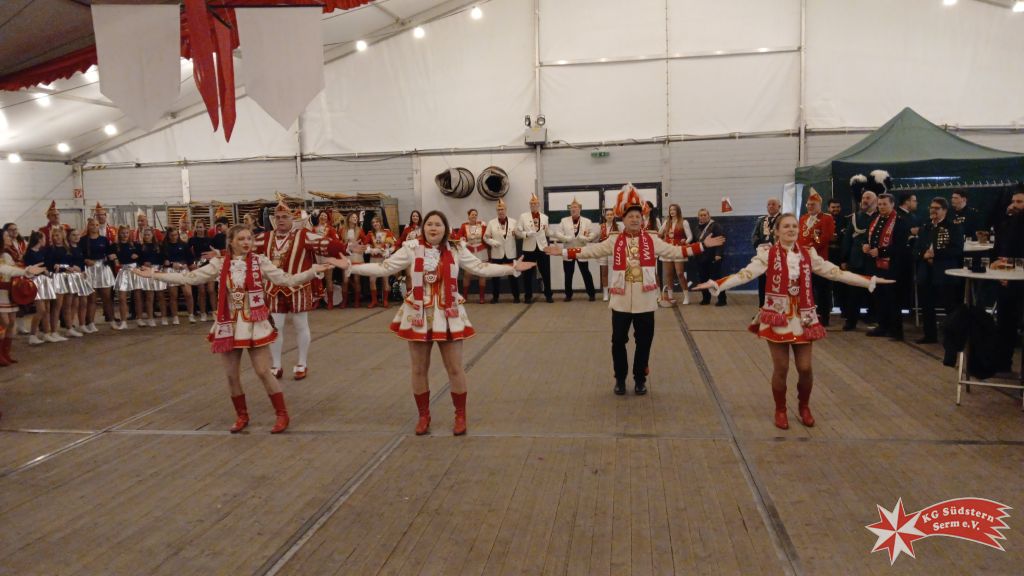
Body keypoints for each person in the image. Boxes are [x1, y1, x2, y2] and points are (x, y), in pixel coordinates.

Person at [693, 213, 891, 430]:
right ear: (777, 231)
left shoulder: (808, 253)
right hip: (777, 316)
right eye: (786, 226)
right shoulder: (767, 254)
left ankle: (804, 406)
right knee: (781, 368)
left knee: (805, 368)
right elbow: (745, 275)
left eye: (794, 226)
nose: (791, 230)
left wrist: (868, 281)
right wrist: (717, 284)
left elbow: (834, 272)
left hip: (803, 317)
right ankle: (780, 409)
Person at [345, 210, 534, 435]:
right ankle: (423, 416)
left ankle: (460, 415)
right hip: (418, 313)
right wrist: (351, 267)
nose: (433, 228)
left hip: (448, 313)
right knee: (418, 369)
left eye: (438, 224)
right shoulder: (411, 248)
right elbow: (384, 267)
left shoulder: (456, 248)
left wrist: (511, 268)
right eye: (429, 224)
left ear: (445, 228)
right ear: (423, 227)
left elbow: (480, 267)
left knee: (455, 368)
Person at [135, 225, 334, 434]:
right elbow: (190, 278)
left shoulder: (260, 262)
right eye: (241, 239)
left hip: (254, 322)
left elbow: (286, 280)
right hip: (229, 323)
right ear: (231, 242)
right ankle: (242, 416)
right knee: (231, 375)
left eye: (249, 238)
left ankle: (282, 414)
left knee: (263, 371)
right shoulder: (220, 264)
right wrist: (154, 274)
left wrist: (312, 271)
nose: (247, 242)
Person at [546, 184, 724, 395]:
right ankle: (620, 379)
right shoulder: (614, 240)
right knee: (617, 342)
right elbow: (590, 251)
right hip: (620, 302)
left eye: (638, 217)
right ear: (623, 219)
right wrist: (563, 252)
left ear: (643, 219)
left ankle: (640, 379)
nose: (634, 219)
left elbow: (676, 251)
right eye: (630, 216)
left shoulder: (652, 239)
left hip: (646, 301)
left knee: (644, 343)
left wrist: (702, 245)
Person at [254, 201, 351, 379]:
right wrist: (222, 254)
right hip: (274, 289)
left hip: (299, 287)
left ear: (292, 219)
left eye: (285, 217)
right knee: (276, 327)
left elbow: (326, 244)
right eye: (277, 217)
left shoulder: (303, 235)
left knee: (301, 325)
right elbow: (242, 246)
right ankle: (276, 365)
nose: (281, 220)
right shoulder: (265, 238)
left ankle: (302, 363)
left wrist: (347, 248)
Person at [915, 198, 963, 361]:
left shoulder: (953, 227)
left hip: (944, 271)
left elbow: (957, 249)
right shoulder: (926, 227)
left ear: (945, 210)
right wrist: (923, 255)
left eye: (937, 208)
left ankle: (952, 338)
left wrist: (935, 255)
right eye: (931, 207)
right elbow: (917, 248)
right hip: (926, 271)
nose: (933, 211)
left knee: (949, 306)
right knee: (926, 305)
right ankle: (929, 335)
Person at [865, 194, 910, 340]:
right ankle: (882, 326)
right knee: (879, 297)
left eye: (885, 204)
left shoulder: (900, 221)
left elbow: (900, 246)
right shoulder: (875, 219)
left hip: (892, 266)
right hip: (875, 265)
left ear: (892, 204)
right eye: (879, 204)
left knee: (893, 298)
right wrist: (866, 246)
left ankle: (896, 330)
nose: (881, 207)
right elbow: (869, 237)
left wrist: (881, 251)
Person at [0, 233, 45, 365]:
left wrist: (26, 271)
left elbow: (12, 269)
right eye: (6, 236)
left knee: (11, 323)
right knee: (4, 323)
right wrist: (26, 271)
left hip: (9, 292)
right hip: (1, 292)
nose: (9, 238)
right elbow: (5, 270)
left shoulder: (8, 254)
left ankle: (5, 353)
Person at [993, 186, 1024, 372]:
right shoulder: (1007, 224)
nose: (1014, 205)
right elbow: (1001, 249)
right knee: (1005, 323)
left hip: (1018, 279)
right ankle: (1003, 363)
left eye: (1019, 202)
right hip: (1007, 280)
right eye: (1013, 201)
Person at [841, 179, 878, 330]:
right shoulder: (856, 217)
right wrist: (844, 259)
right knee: (853, 293)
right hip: (855, 260)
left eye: (868, 198)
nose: (864, 200)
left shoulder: (880, 218)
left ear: (875, 201)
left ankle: (873, 318)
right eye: (863, 198)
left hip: (873, 260)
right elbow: (847, 239)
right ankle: (851, 322)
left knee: (873, 291)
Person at [798, 190, 836, 325]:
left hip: (819, 259)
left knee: (823, 289)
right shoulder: (803, 218)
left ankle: (824, 316)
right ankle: (808, 314)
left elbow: (826, 237)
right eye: (808, 204)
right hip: (804, 260)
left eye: (813, 204)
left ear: (819, 205)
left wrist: (811, 247)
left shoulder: (827, 218)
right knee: (807, 289)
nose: (809, 207)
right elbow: (799, 237)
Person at [553, 198, 596, 302]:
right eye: (571, 207)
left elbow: (593, 233)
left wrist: (586, 239)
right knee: (568, 274)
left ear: (580, 209)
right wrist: (565, 238)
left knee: (586, 273)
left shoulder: (587, 221)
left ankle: (591, 294)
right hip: (568, 250)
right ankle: (568, 295)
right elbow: (557, 233)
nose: (573, 209)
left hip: (581, 250)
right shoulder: (564, 220)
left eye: (575, 207)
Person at [515, 193, 553, 303]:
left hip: (542, 248)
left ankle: (548, 295)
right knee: (527, 273)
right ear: (529, 205)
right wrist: (526, 234)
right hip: (528, 249)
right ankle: (528, 296)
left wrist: (556, 235)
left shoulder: (545, 217)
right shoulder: (523, 216)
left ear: (539, 205)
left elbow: (547, 232)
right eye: (532, 204)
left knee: (545, 272)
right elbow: (517, 231)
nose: (534, 205)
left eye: (535, 204)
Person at [79, 218, 116, 332]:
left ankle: (112, 320)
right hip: (90, 270)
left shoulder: (104, 239)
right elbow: (79, 255)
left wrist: (112, 256)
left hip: (103, 268)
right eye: (92, 225)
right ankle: (90, 322)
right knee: (92, 299)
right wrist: (85, 260)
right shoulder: (83, 240)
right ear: (88, 226)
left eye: (96, 225)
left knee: (107, 298)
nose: (94, 227)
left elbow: (110, 252)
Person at [47, 227, 84, 338]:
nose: (55, 238)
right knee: (57, 306)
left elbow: (70, 263)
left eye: (57, 235)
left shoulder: (67, 248)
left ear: (63, 235)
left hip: (68, 277)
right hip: (57, 278)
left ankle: (69, 328)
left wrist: (73, 268)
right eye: (53, 236)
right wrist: (62, 266)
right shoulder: (50, 249)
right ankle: (54, 331)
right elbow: (51, 265)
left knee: (68, 305)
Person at [483, 198, 520, 304]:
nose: (501, 211)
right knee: (495, 277)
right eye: (499, 210)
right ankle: (495, 297)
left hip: (510, 253)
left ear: (506, 210)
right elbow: (485, 237)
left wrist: (519, 233)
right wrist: (493, 242)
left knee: (513, 276)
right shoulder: (491, 223)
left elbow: (518, 236)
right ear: (496, 211)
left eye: (502, 209)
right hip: (497, 253)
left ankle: (516, 297)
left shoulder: (514, 222)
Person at [24, 231, 59, 344]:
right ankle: (32, 335)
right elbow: (30, 269)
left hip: (44, 281)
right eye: (44, 238)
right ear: (39, 239)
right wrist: (43, 270)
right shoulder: (29, 253)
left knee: (47, 309)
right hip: (35, 282)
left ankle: (46, 333)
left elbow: (45, 265)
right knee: (41, 310)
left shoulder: (41, 251)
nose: (46, 240)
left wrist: (48, 270)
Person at [657, 203, 692, 306]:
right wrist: (662, 239)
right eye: (670, 210)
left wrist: (685, 241)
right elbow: (659, 234)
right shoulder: (666, 222)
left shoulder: (684, 222)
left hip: (678, 250)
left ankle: (686, 296)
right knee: (668, 274)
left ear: (678, 211)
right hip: (668, 250)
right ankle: (670, 297)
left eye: (674, 210)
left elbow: (690, 236)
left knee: (680, 273)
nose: (672, 211)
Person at [111, 226, 144, 330]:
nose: (125, 235)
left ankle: (139, 319)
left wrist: (138, 257)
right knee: (122, 298)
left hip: (135, 271)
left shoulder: (136, 245)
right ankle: (123, 321)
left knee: (137, 297)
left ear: (129, 233)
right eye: (122, 233)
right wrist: (114, 259)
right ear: (119, 234)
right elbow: (111, 258)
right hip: (123, 271)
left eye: (126, 233)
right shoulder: (114, 246)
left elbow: (142, 256)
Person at [751, 197, 782, 306]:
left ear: (779, 206)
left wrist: (773, 246)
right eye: (769, 204)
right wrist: (759, 245)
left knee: (776, 283)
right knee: (762, 283)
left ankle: (776, 309)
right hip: (763, 256)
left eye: (773, 204)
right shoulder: (761, 220)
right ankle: (762, 309)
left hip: (778, 256)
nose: (771, 206)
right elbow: (754, 235)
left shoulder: (784, 219)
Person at [694, 208, 727, 306]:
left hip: (713, 257)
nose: (703, 217)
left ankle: (722, 299)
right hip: (701, 258)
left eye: (705, 215)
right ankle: (706, 299)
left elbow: (721, 240)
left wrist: (718, 254)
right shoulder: (696, 228)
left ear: (709, 216)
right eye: (701, 215)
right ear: (698, 217)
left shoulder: (715, 226)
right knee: (703, 279)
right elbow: (695, 242)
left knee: (716, 279)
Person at [363, 214, 397, 309]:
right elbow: (365, 245)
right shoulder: (370, 233)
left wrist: (389, 251)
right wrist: (370, 249)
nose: (375, 224)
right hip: (373, 259)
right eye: (373, 222)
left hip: (384, 259)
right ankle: (374, 301)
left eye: (377, 222)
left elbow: (394, 245)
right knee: (372, 280)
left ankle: (385, 300)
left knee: (385, 280)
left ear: (380, 223)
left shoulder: (387, 232)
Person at [163, 228, 196, 324]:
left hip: (183, 270)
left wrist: (188, 265)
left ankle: (191, 315)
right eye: (172, 235)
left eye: (175, 235)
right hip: (171, 270)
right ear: (168, 236)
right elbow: (163, 260)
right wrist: (171, 264)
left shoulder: (184, 245)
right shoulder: (164, 246)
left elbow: (190, 258)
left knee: (188, 294)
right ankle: (175, 317)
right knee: (173, 295)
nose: (174, 237)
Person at [456, 209, 489, 304]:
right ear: (468, 216)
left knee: (482, 274)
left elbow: (487, 237)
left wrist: (485, 227)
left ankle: (482, 297)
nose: (474, 216)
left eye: (475, 214)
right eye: (472, 214)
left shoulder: (482, 225)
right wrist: (463, 242)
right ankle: (465, 296)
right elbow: (458, 237)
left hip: (481, 251)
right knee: (467, 274)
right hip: (469, 252)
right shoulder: (464, 226)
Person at [188, 219, 217, 321]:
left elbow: (215, 253)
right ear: (195, 228)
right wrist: (192, 264)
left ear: (205, 228)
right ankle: (203, 313)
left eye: (201, 227)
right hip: (198, 267)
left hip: (210, 266)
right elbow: (189, 254)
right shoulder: (192, 240)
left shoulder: (210, 239)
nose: (199, 229)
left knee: (211, 290)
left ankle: (214, 312)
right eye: (197, 227)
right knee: (202, 291)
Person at [138, 227, 168, 327]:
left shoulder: (159, 246)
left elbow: (164, 257)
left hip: (158, 270)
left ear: (152, 235)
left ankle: (164, 317)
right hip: (147, 272)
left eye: (148, 234)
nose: (147, 236)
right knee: (149, 297)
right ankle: (150, 318)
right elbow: (138, 260)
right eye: (145, 235)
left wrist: (164, 263)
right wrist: (143, 263)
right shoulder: (140, 247)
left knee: (161, 296)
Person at [827, 198, 848, 321]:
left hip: (840, 256)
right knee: (825, 285)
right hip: (827, 256)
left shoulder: (846, 220)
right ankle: (825, 310)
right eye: (833, 207)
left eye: (837, 207)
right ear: (828, 208)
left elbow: (847, 239)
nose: (835, 209)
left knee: (841, 285)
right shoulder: (823, 220)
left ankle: (844, 310)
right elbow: (817, 237)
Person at [338, 212, 364, 308]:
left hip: (356, 256)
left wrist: (359, 245)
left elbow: (365, 241)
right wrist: (345, 245)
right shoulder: (342, 230)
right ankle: (344, 301)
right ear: (348, 219)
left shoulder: (360, 230)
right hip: (346, 256)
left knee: (357, 279)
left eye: (356, 217)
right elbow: (338, 242)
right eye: (353, 217)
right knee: (345, 280)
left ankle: (357, 301)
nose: (355, 218)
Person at [596, 208, 622, 302]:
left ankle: (614, 292)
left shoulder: (618, 226)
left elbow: (622, 239)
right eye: (608, 215)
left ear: (614, 216)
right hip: (603, 251)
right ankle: (605, 293)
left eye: (611, 214)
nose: (610, 216)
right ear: (605, 216)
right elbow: (596, 238)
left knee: (615, 272)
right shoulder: (601, 226)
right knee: (604, 272)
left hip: (614, 252)